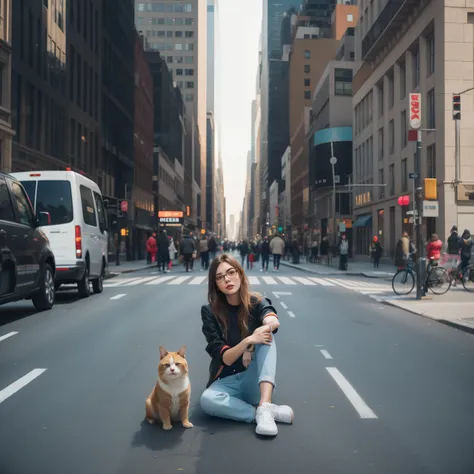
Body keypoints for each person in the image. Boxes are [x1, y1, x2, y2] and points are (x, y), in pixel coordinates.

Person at [200, 254, 294, 437]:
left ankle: (265, 404)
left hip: (252, 378)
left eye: (231, 272)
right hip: (226, 381)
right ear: (216, 285)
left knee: (266, 336)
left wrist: (253, 345)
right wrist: (247, 342)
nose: (227, 279)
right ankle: (261, 414)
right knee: (207, 400)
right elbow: (224, 358)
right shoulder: (209, 311)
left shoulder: (256, 301)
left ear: (240, 274)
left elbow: (273, 322)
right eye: (220, 277)